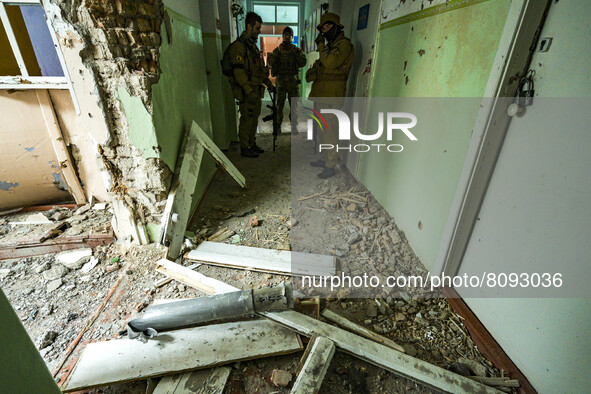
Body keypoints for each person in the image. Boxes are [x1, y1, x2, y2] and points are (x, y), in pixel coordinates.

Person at [305, 12, 354, 178]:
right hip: (321, 94)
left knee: (330, 131)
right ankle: (325, 158)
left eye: (327, 26)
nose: (324, 30)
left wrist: (321, 47)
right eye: (322, 28)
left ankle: (331, 165)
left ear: (336, 27)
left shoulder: (343, 45)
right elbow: (317, 70)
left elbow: (331, 63)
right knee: (321, 130)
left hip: (332, 96)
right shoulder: (331, 46)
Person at [227, 12, 275, 158]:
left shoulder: (252, 47)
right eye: (257, 28)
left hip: (256, 90)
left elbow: (259, 70)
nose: (259, 31)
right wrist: (248, 91)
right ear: (249, 26)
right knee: (246, 119)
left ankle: (252, 143)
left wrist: (268, 84)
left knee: (254, 118)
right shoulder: (239, 47)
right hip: (246, 91)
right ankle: (244, 147)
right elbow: (239, 73)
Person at [267, 27, 306, 135]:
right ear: (283, 37)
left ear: (292, 37)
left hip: (292, 82)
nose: (287, 37)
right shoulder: (278, 50)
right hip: (281, 82)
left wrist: (296, 53)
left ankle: (294, 127)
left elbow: (303, 62)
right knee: (279, 106)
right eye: (285, 35)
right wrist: (278, 53)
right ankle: (278, 126)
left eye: (289, 35)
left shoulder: (296, 50)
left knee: (294, 106)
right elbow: (270, 61)